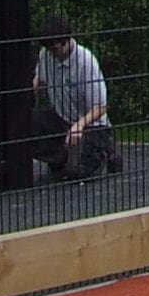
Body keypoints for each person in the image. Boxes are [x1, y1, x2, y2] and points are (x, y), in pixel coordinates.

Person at [30, 12, 121, 181]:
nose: (53, 54)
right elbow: (40, 80)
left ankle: (104, 152)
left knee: (78, 171)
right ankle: (60, 160)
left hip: (90, 125)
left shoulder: (86, 62)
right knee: (25, 124)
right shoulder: (46, 55)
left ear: (66, 42)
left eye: (55, 49)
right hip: (62, 118)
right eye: (49, 50)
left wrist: (79, 125)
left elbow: (100, 106)